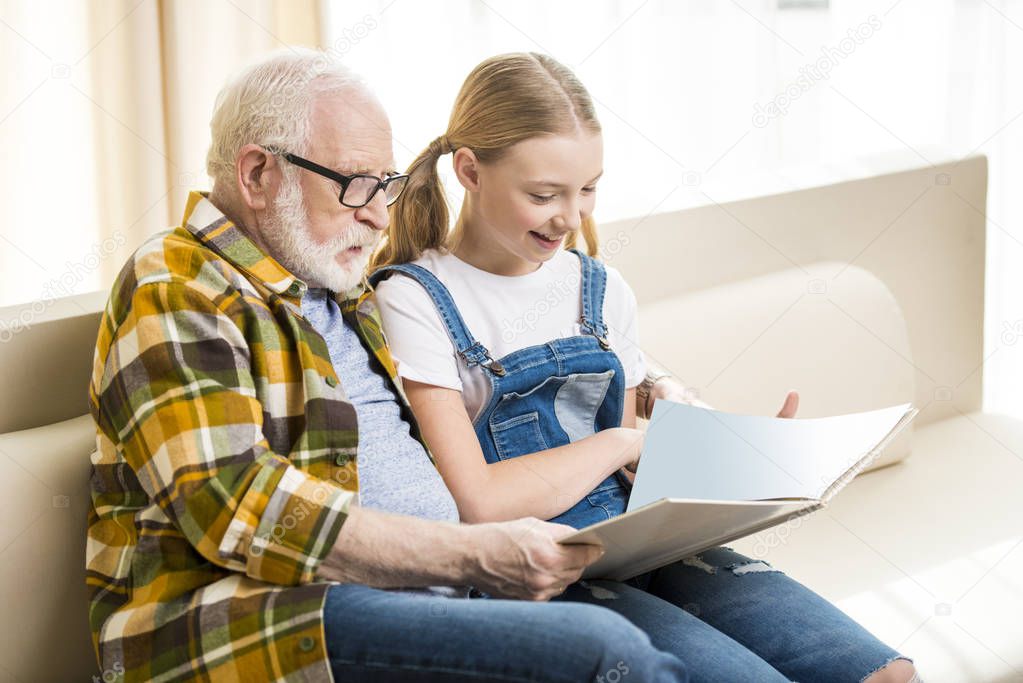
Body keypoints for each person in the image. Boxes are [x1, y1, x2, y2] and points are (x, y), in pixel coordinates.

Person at [85, 48, 689, 682]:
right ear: (259, 174)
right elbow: (237, 506)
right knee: (601, 652)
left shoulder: (337, 287)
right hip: (264, 624)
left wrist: (656, 386)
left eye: (385, 185)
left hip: (422, 595)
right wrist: (469, 555)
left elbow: (516, 337)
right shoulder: (178, 283)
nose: (377, 212)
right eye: (353, 185)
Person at [371, 51, 920, 683]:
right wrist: (622, 440)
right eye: (543, 194)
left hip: (641, 540)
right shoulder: (413, 299)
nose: (570, 217)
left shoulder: (601, 288)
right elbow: (479, 501)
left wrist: (736, 457)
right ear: (469, 170)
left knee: (888, 672)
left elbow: (639, 471)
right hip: (536, 571)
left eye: (587, 190)